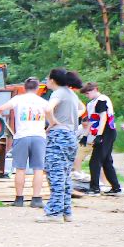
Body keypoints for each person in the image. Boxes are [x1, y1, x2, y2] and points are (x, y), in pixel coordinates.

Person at [0, 78, 52, 207]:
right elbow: (52, 119)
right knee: (39, 169)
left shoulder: (18, 99)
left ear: (24, 87)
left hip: (22, 136)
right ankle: (36, 199)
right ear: (37, 88)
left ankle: (19, 199)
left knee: (20, 168)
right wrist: (47, 130)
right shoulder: (42, 101)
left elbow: (1, 108)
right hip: (38, 136)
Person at [40, 68, 84, 223]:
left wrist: (53, 122)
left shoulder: (58, 93)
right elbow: (82, 108)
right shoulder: (71, 93)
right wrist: (70, 119)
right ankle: (66, 211)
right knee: (65, 176)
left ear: (53, 80)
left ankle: (54, 213)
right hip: (71, 136)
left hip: (59, 136)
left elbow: (47, 109)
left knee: (56, 175)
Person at [80, 82, 122, 196]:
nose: (87, 95)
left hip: (107, 132)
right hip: (102, 132)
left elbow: (103, 118)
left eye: (88, 93)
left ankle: (95, 188)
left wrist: (99, 135)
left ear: (95, 89)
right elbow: (92, 121)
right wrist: (85, 135)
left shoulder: (101, 100)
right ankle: (116, 187)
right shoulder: (91, 104)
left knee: (95, 161)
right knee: (106, 161)